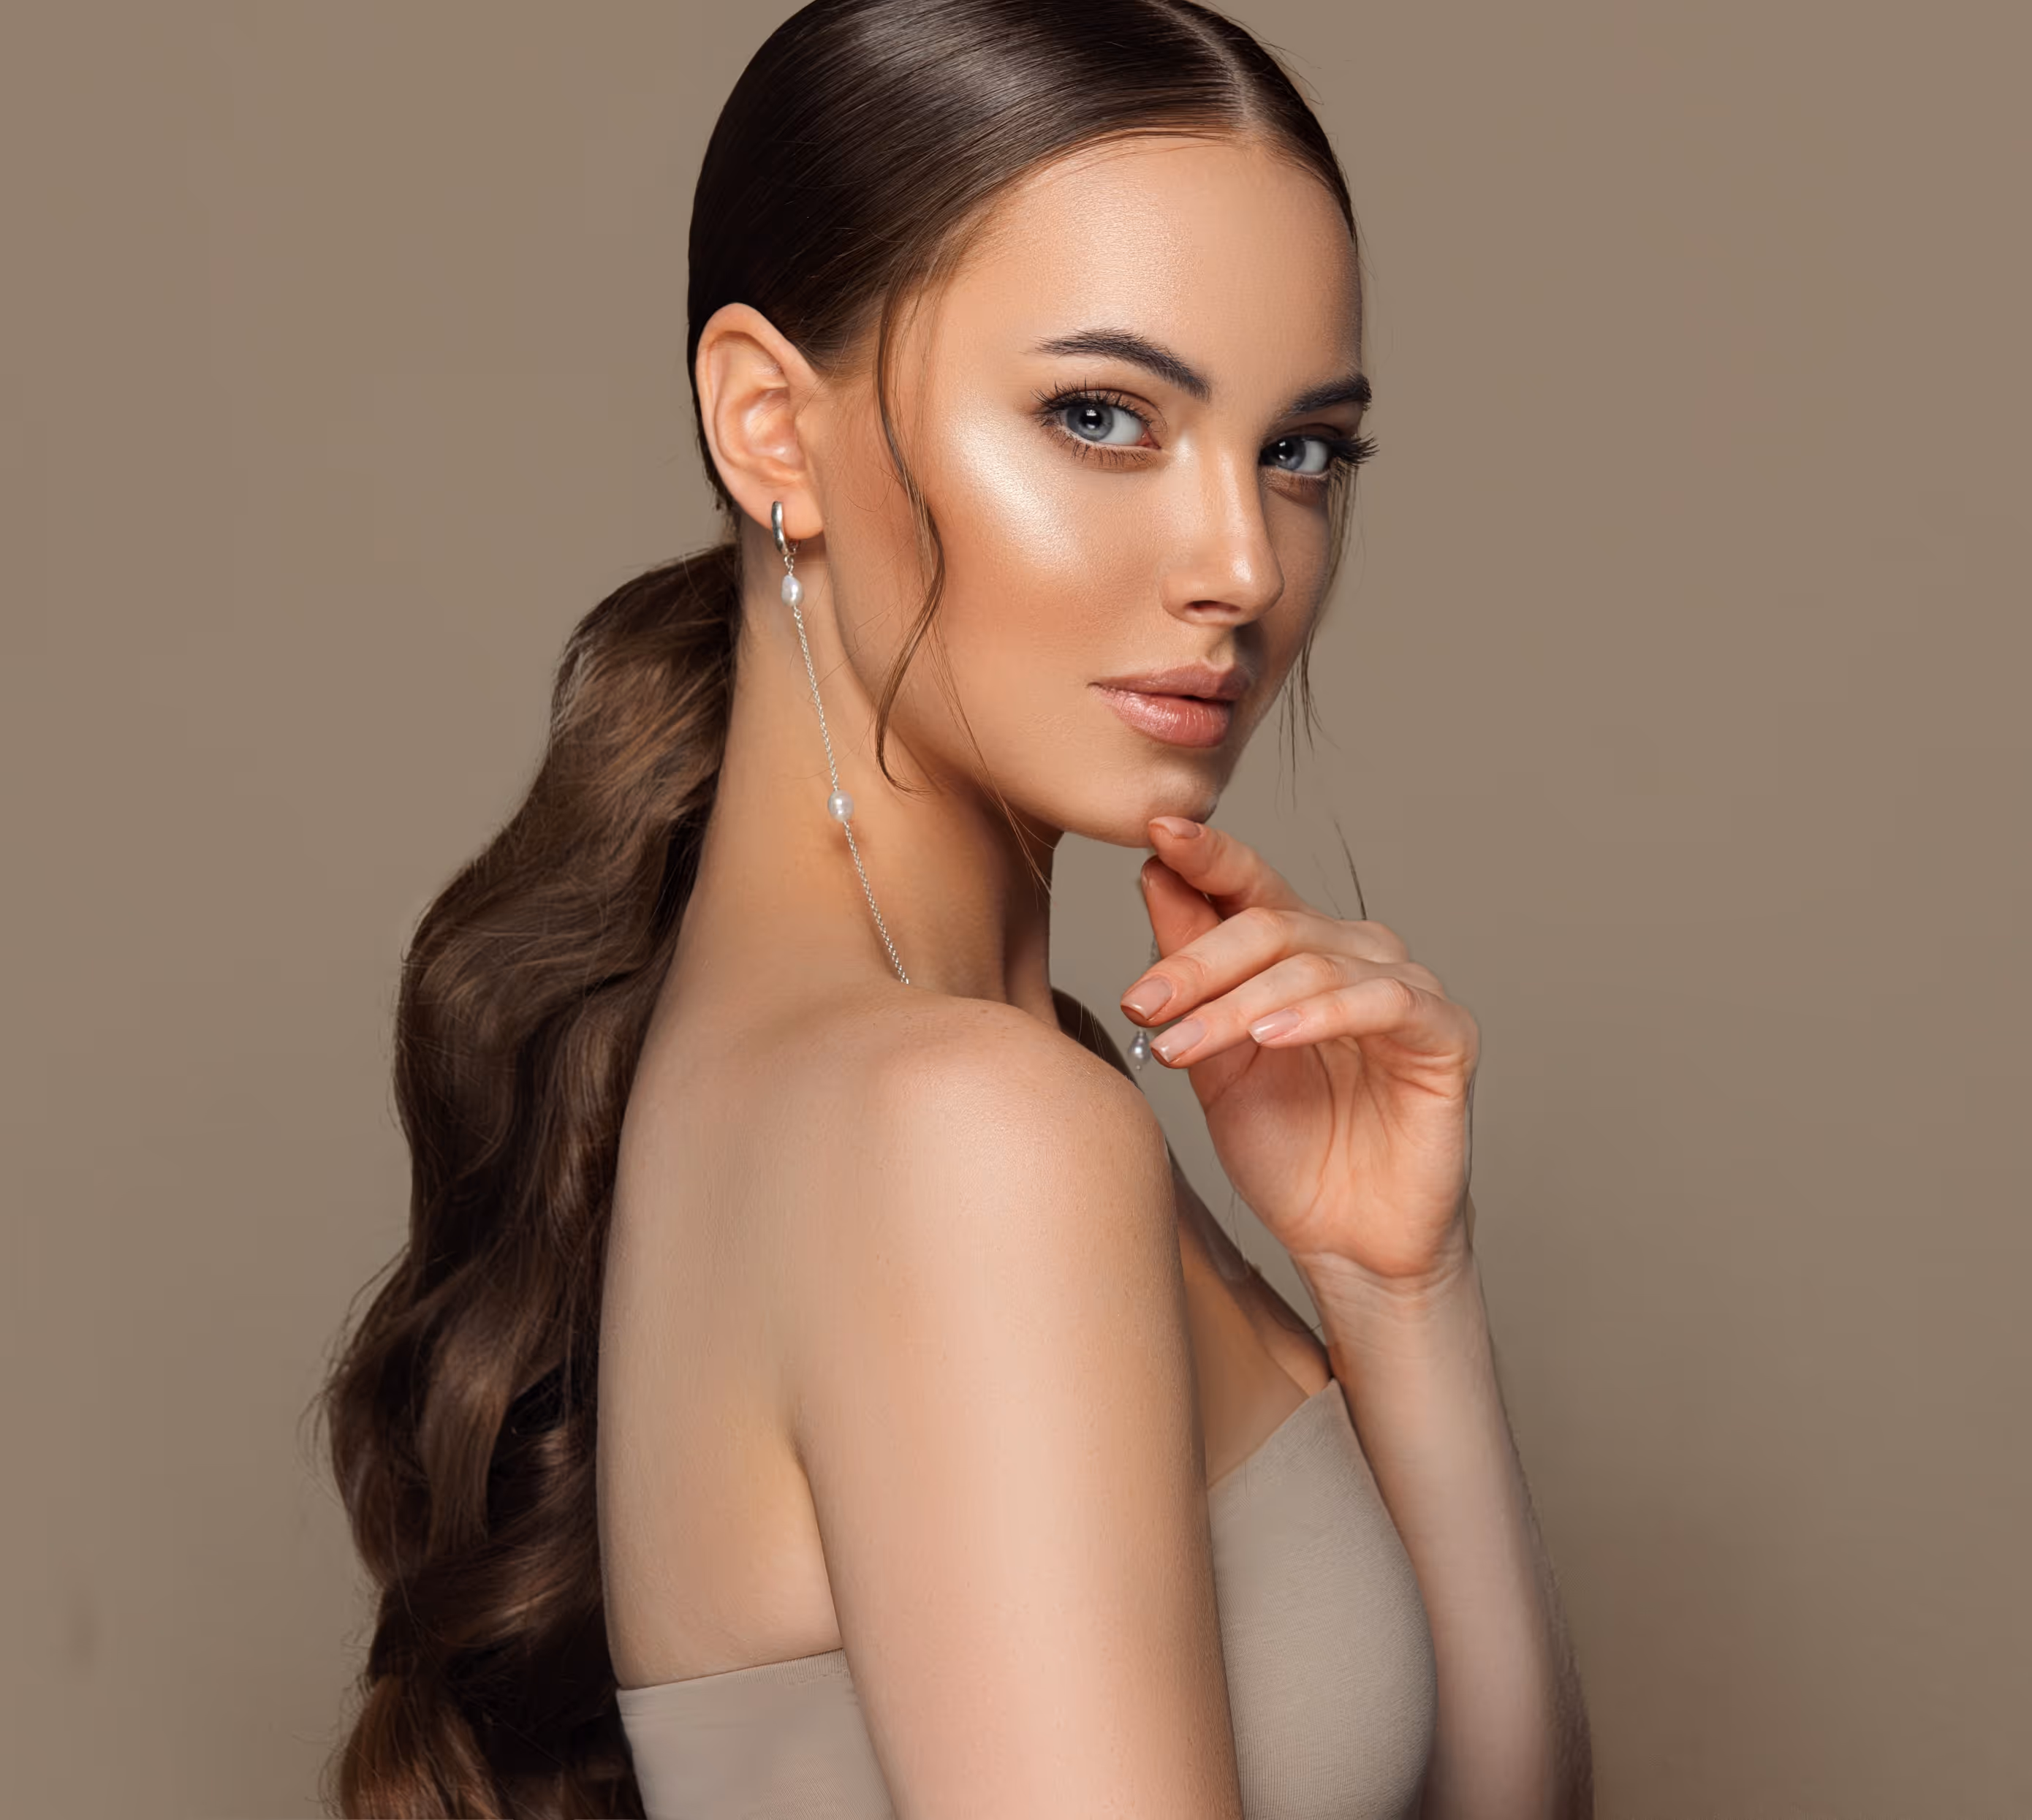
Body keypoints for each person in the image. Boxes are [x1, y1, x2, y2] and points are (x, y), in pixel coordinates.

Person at [316, 1, 1591, 1813]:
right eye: (1102, 415)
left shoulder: (934, 1079)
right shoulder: (971, 1132)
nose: (1241, 562)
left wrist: (1403, 1284)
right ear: (773, 425)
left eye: (1303, 452)